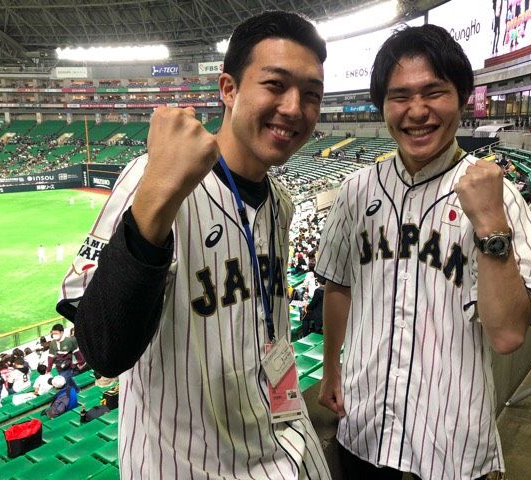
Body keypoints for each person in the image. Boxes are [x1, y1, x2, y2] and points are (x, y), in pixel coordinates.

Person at [56, 11, 330, 479]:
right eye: (275, 85)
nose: (293, 107)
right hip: (184, 465)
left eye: (311, 95)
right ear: (228, 89)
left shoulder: (280, 202)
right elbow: (102, 347)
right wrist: (156, 197)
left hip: (283, 447)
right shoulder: (153, 175)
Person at [316, 24, 531, 480]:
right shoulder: (355, 190)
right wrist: (330, 370)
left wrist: (490, 224)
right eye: (400, 96)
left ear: (462, 98)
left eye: (434, 92)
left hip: (452, 441)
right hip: (363, 426)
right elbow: (338, 285)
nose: (417, 111)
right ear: (383, 106)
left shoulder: (501, 198)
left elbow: (508, 336)